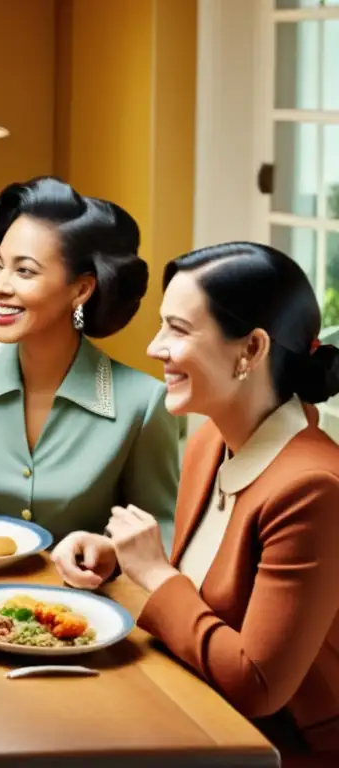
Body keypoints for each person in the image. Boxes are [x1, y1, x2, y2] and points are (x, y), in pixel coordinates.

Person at [52, 242, 339, 761]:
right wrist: (122, 559)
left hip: (279, 750)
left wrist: (157, 574)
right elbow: (211, 593)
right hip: (192, 710)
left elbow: (257, 684)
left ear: (251, 350)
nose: (154, 347)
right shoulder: (211, 441)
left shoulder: (314, 488)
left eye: (178, 330)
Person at [0, 176, 179, 544]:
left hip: (87, 601)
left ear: (81, 289)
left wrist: (108, 556)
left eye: (24, 271)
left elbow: (162, 536)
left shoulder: (142, 404)